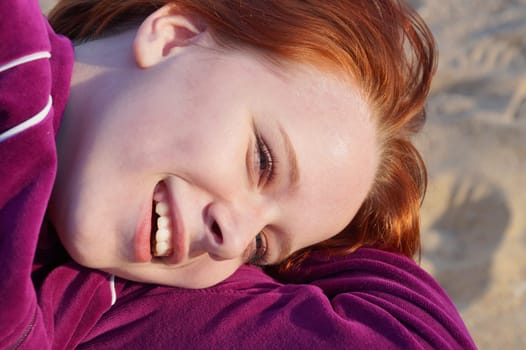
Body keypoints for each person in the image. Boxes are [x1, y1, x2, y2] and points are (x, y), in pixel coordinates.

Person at [0, 0, 477, 348]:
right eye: (262, 160)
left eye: (261, 246)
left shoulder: (90, 299)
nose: (229, 241)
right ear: (175, 36)